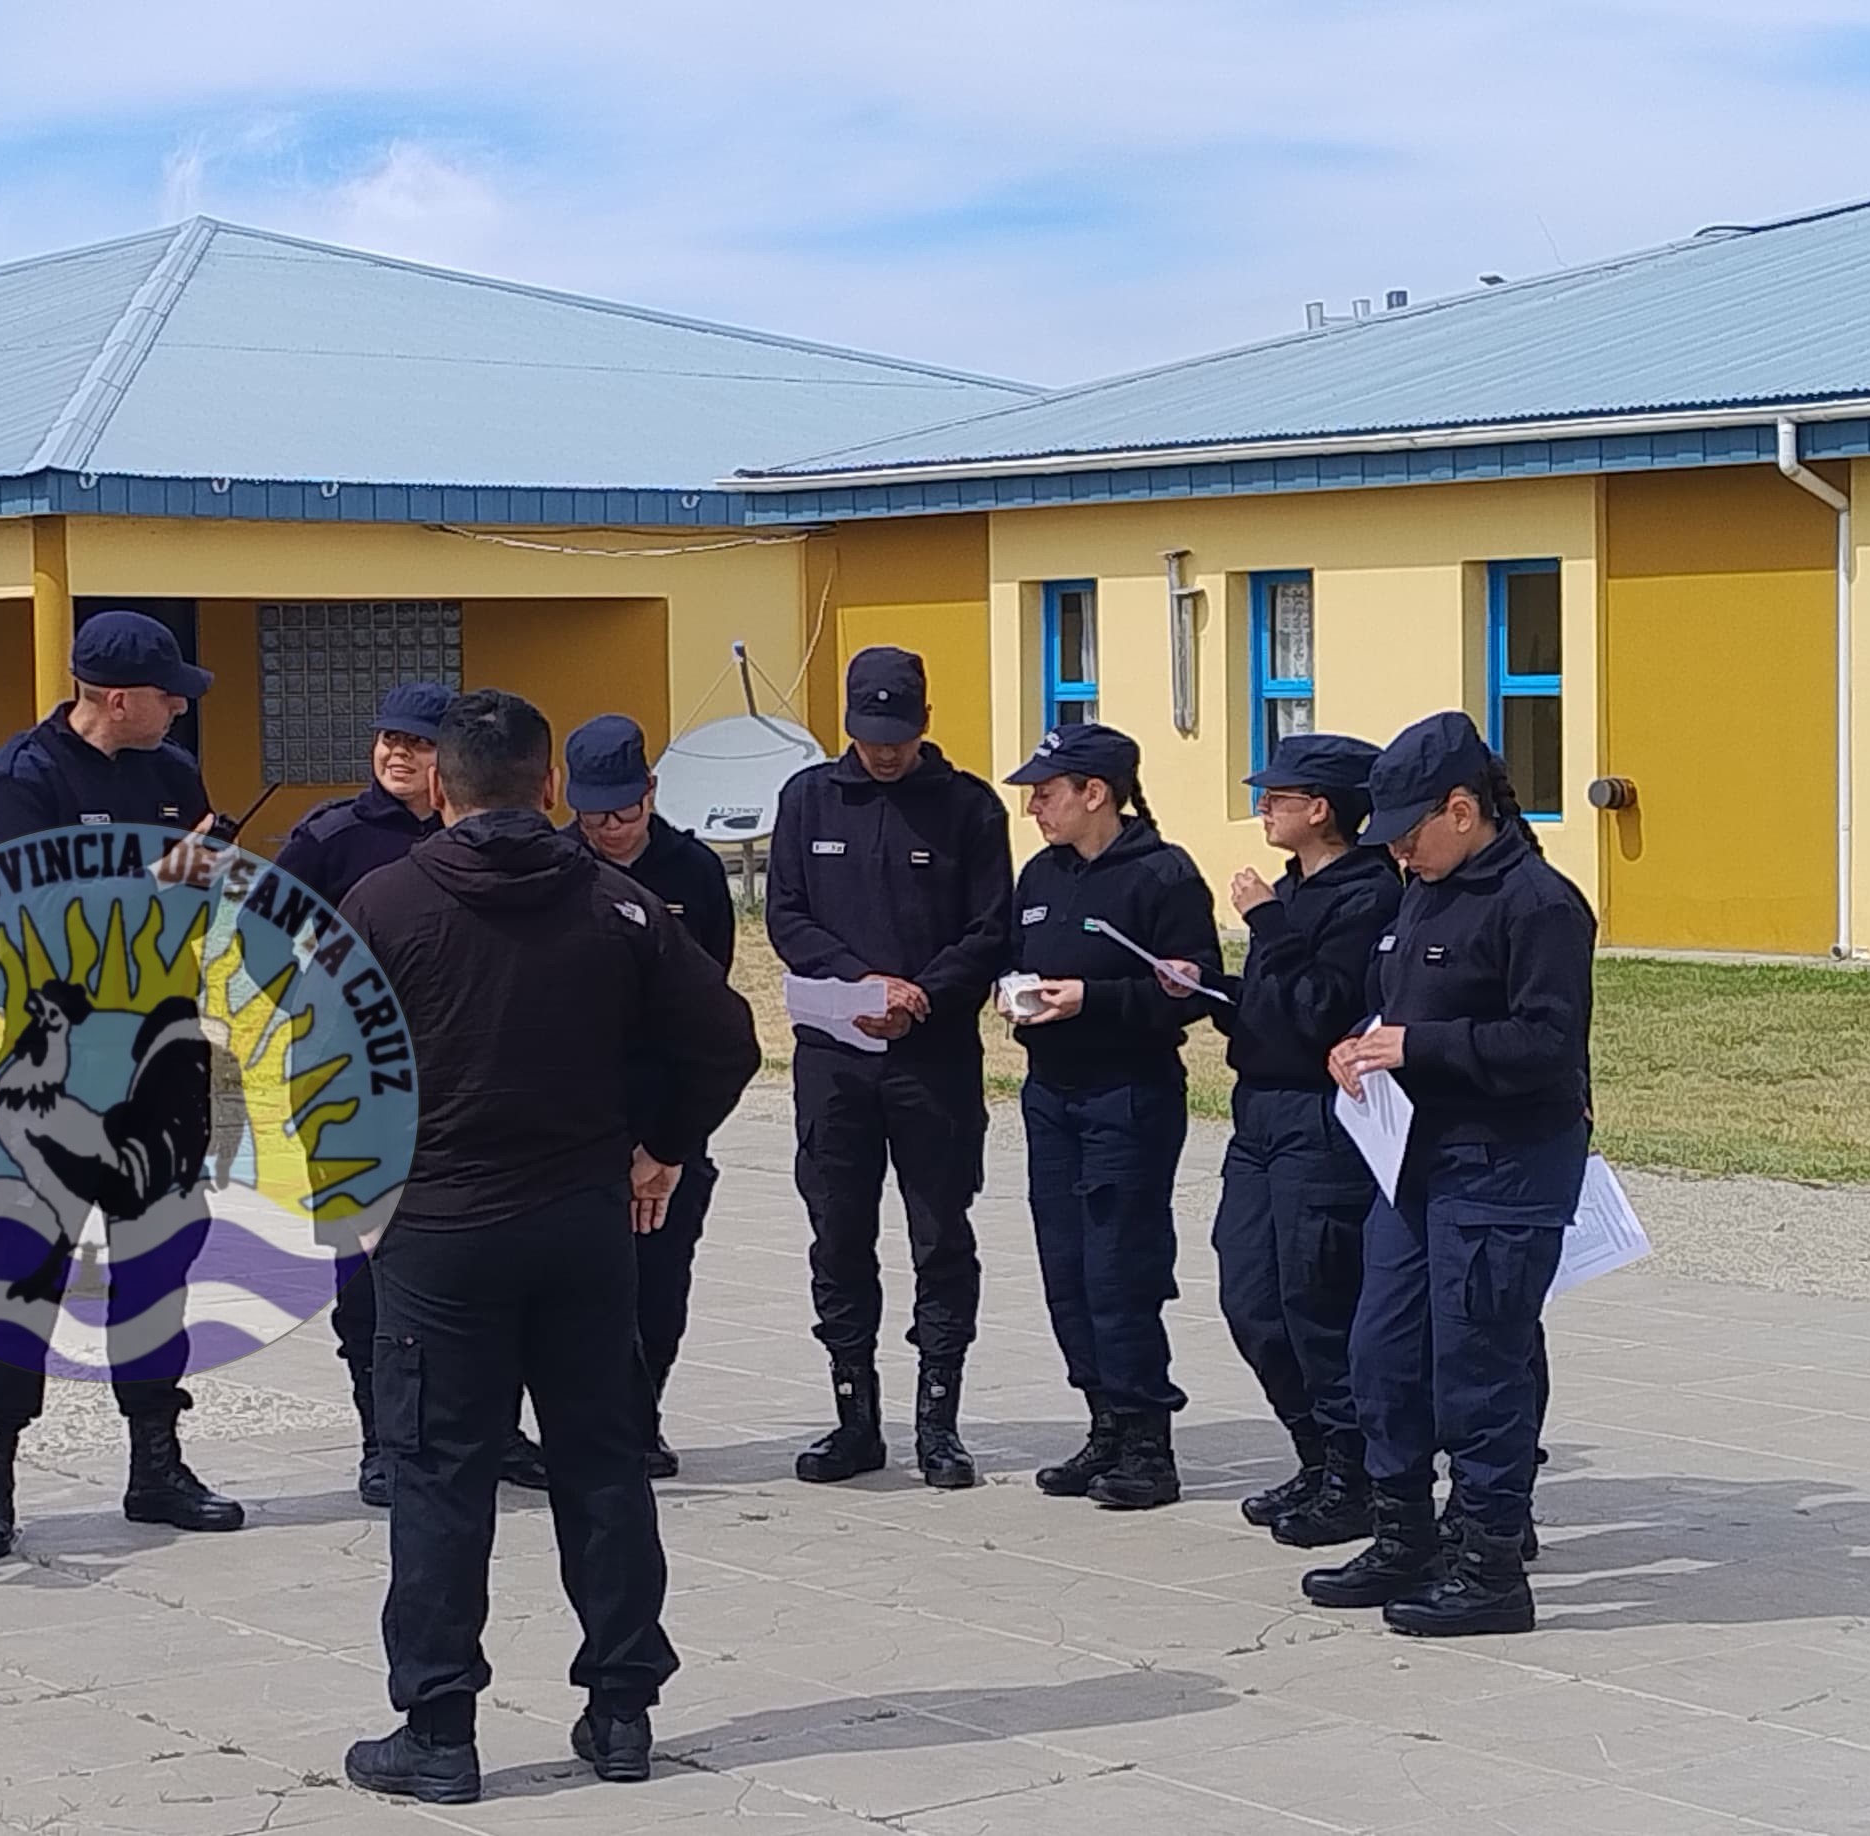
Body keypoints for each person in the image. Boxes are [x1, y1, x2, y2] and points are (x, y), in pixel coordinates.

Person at [333, 689, 760, 1804]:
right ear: (551, 787)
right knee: (601, 1466)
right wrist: (660, 1145)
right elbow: (725, 1040)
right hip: (581, 1226)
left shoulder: (383, 904)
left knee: (438, 1478)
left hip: (440, 1234)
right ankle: (620, 1712)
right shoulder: (617, 907)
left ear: (441, 786)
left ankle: (438, 1730)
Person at [0, 607, 248, 1561]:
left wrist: (199, 878)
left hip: (161, 1057)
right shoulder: (22, 780)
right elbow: (31, 919)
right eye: (168, 696)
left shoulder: (171, 774)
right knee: (25, 1273)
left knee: (156, 1270)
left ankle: (156, 1465)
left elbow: (186, 912)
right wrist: (154, 885)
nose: (179, 710)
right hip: (57, 1066)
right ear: (116, 698)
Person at [1306, 710, 1593, 1639]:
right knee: (1381, 1353)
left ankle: (1490, 1560)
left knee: (1479, 1364)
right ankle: (1403, 1533)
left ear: (1463, 811)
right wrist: (1357, 1046)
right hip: (1414, 1161)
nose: (1397, 853)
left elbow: (1548, 1042)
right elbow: (1392, 1002)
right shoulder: (1422, 889)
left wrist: (1418, 1046)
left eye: (1409, 832)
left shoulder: (1539, 904)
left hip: (1503, 1166)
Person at [765, 646, 1011, 1488]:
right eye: (871, 736)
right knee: (838, 1235)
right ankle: (853, 1417)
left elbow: (990, 929)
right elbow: (786, 916)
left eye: (899, 735)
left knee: (940, 1235)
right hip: (835, 1060)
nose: (886, 751)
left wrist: (920, 993)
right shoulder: (806, 799)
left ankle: (938, 1422)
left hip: (932, 1059)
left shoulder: (968, 809)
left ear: (925, 722)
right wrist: (854, 983)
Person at [994, 724, 1225, 1511]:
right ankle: (1101, 1419)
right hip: (1051, 1094)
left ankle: (1146, 1437)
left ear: (1097, 793)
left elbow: (1193, 990)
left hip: (1126, 1095)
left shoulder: (1161, 875)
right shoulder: (1041, 876)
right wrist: (1015, 996)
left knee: (1118, 1265)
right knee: (1065, 1266)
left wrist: (1093, 999)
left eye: (1047, 794)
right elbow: (1013, 956)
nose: (1034, 808)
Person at [268, 682, 451, 1509]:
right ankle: (381, 1440)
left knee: (462, 1263)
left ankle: (473, 1428)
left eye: (417, 743)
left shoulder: (474, 834)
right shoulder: (330, 836)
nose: (398, 755)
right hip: (351, 1088)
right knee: (365, 1275)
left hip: (456, 1083)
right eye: (388, 740)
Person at [1215, 733, 1398, 1548]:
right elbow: (1278, 1003)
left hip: (1319, 1119)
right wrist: (1213, 993)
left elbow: (1328, 1007)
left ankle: (1354, 1473)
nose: (1264, 808)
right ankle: (1315, 1452)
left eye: (1277, 798)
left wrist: (1265, 924)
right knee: (1249, 1295)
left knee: (1314, 1298)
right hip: (1257, 1109)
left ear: (1320, 809)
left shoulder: (1366, 896)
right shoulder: (1292, 891)